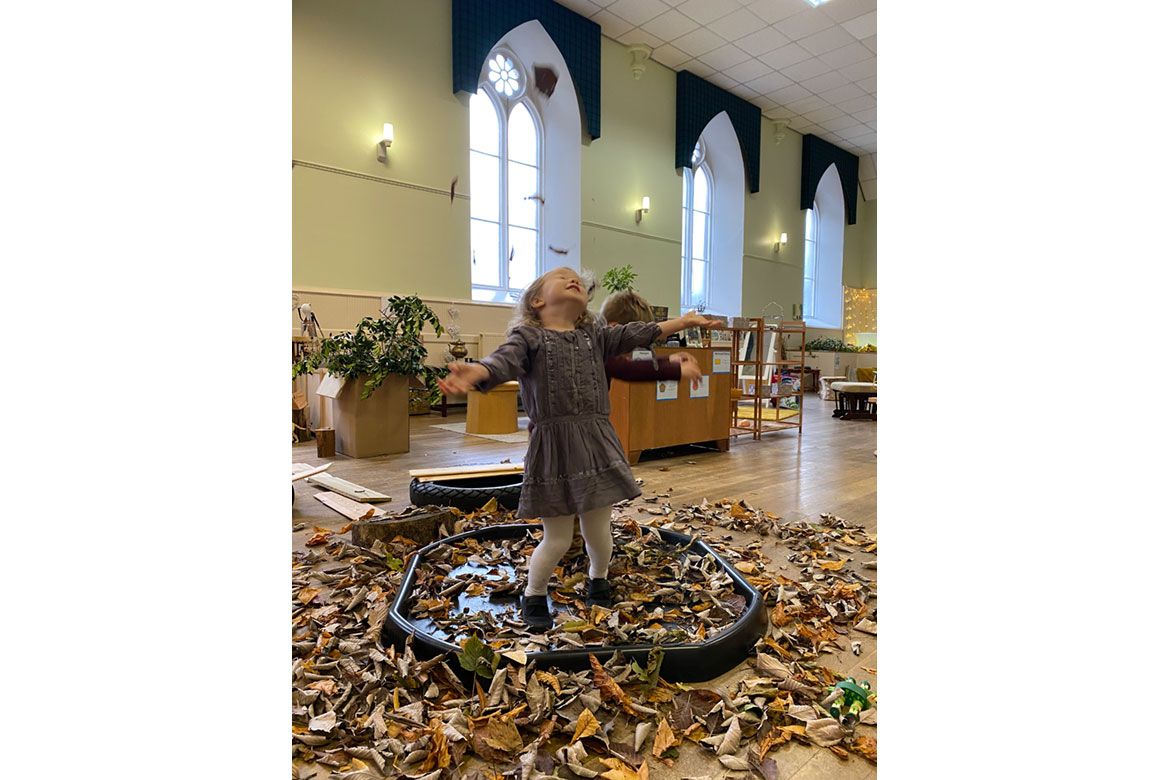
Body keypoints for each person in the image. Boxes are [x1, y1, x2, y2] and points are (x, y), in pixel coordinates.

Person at [438, 267, 720, 631]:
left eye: (578, 280)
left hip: (596, 442)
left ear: (586, 301)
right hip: (552, 447)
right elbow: (503, 361)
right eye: (561, 276)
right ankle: (535, 592)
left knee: (597, 531)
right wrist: (479, 372)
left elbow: (635, 334)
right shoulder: (528, 337)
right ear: (538, 300)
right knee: (556, 537)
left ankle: (598, 577)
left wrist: (681, 323)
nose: (574, 279)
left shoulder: (595, 335)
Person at [599, 290, 703, 390]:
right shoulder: (598, 353)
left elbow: (634, 365)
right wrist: (675, 370)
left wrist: (668, 360)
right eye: (636, 344)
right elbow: (628, 369)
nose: (635, 352)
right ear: (614, 328)